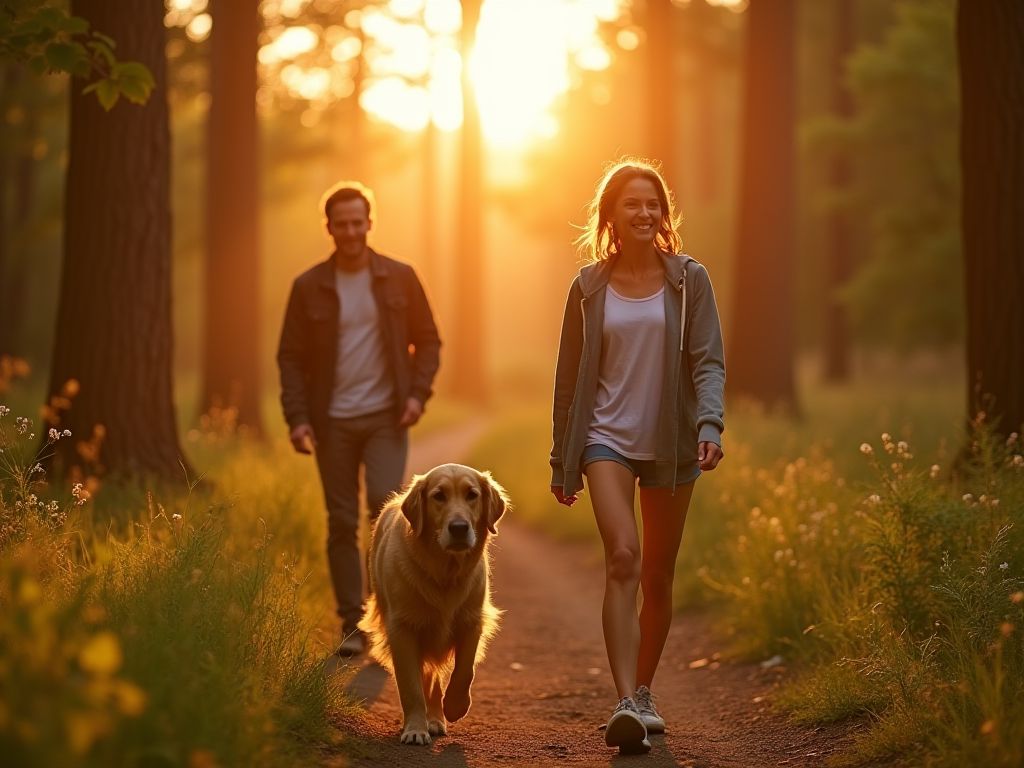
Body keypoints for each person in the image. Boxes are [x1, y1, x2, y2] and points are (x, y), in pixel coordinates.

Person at [549, 159, 725, 753]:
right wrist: (562, 459)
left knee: (658, 573)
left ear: (663, 215)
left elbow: (708, 360)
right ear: (611, 218)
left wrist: (711, 423)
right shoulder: (588, 287)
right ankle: (624, 701)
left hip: (672, 443)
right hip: (606, 440)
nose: (645, 213)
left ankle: (645, 689)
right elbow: (567, 380)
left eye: (653, 204)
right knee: (623, 557)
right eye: (632, 204)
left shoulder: (688, 280)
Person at [277, 181, 441, 657]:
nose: (350, 231)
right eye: (340, 224)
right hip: (331, 423)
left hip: (387, 418)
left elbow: (428, 341)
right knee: (341, 520)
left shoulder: (400, 277)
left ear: (370, 222)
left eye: (357, 222)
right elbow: (290, 357)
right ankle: (353, 624)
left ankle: (386, 616)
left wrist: (417, 395)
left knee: (386, 516)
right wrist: (298, 418)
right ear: (328, 228)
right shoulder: (308, 286)